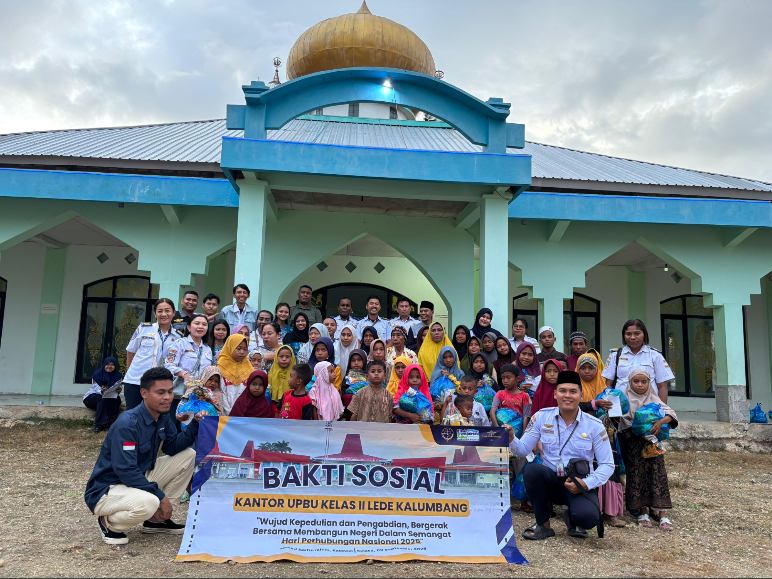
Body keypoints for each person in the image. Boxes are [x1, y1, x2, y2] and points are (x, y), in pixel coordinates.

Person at [85, 367, 206, 545]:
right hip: (108, 489)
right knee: (150, 502)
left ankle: (157, 519)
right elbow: (125, 470)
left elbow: (172, 448)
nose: (168, 397)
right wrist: (160, 497)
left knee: (189, 455)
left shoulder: (162, 415)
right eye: (161, 392)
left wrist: (194, 425)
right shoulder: (128, 423)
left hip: (137, 478)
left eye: (171, 391)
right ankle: (108, 523)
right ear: (144, 393)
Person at [506, 370, 614, 541]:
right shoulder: (542, 417)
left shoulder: (595, 425)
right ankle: (543, 525)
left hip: (579, 483)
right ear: (555, 394)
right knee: (533, 471)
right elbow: (523, 450)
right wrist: (511, 438)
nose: (567, 396)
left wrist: (585, 483)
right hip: (552, 481)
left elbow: (608, 465)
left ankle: (572, 518)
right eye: (563, 391)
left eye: (573, 391)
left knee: (588, 518)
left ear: (581, 394)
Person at [617, 368, 677, 531]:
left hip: (653, 446)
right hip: (634, 446)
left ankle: (662, 513)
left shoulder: (654, 398)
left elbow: (671, 414)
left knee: (657, 475)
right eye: (636, 381)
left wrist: (659, 422)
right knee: (637, 477)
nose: (640, 385)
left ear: (649, 383)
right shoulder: (625, 400)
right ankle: (642, 512)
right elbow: (621, 421)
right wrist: (637, 426)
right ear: (630, 383)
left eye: (644, 382)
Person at [124, 298, 179, 410]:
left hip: (159, 384)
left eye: (167, 310)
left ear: (174, 313)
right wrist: (130, 373)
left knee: (155, 415)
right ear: (155, 313)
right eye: (159, 311)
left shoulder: (178, 337)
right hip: (136, 381)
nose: (163, 314)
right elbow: (131, 352)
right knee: (133, 415)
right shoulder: (144, 328)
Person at [602, 319, 674, 401]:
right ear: (624, 336)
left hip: (648, 407)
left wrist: (662, 410)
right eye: (628, 334)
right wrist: (613, 409)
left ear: (644, 335)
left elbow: (662, 387)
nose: (632, 337)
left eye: (637, 333)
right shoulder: (615, 355)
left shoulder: (655, 355)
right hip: (623, 407)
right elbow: (608, 385)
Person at [163, 313, 213, 429]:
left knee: (193, 429)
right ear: (189, 327)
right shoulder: (180, 343)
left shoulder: (207, 349)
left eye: (204, 324)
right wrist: (183, 374)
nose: (200, 327)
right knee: (175, 427)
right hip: (180, 395)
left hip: (199, 397)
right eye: (197, 323)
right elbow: (168, 365)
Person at [83, 357, 123, 433]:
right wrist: (101, 390)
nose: (109, 366)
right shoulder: (97, 374)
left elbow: (118, 387)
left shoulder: (118, 376)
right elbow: (95, 389)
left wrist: (118, 390)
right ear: (104, 365)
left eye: (112, 365)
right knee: (102, 399)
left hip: (108, 396)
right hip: (92, 397)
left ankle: (111, 423)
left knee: (117, 400)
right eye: (107, 364)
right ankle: (99, 425)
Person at [217, 334, 254, 415]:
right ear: (230, 347)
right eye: (238, 348)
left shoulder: (249, 368)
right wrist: (229, 412)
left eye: (245, 349)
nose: (242, 352)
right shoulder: (221, 367)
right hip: (226, 413)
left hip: (244, 413)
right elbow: (221, 393)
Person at [490, 364, 531, 429]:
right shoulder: (500, 394)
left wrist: (523, 434)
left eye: (508, 378)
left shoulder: (524, 396)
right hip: (502, 428)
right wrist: (497, 428)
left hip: (517, 430)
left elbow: (526, 416)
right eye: (503, 378)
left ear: (517, 379)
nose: (505, 381)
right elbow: (492, 411)